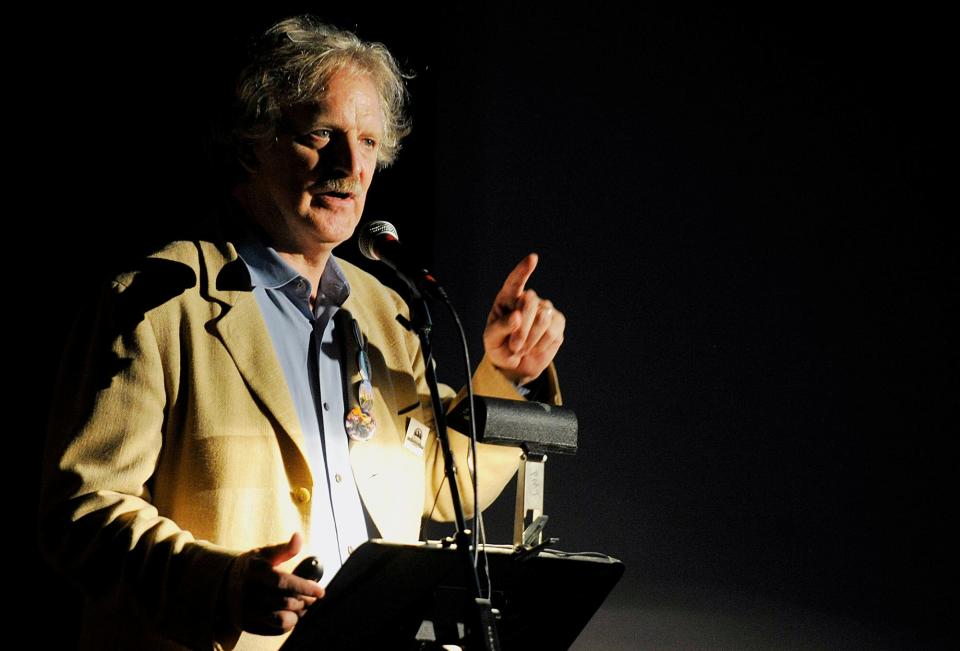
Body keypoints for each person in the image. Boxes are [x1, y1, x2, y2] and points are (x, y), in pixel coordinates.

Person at [39, 15, 565, 651]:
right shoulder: (157, 304)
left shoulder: (383, 308)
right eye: (323, 133)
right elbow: (83, 514)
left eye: (369, 142)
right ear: (252, 142)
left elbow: (437, 485)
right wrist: (224, 587)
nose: (350, 164)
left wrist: (501, 375)